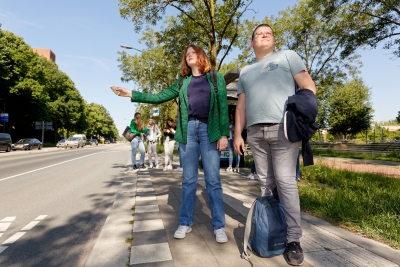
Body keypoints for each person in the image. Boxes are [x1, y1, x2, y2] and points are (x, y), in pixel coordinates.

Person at [115, 44, 230, 243]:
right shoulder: (182, 82)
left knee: (213, 181)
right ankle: (185, 222)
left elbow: (222, 106)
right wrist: (132, 94)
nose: (190, 56)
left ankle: (219, 226)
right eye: (187, 55)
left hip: (209, 131)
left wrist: (223, 134)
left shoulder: (215, 78)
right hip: (188, 132)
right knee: (188, 180)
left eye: (193, 53)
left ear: (201, 56)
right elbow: (158, 97)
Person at [234, 24, 317, 266]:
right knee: (266, 184)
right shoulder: (246, 71)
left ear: (273, 40)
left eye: (268, 32)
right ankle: (271, 231)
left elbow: (308, 86)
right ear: (251, 43)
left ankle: (293, 240)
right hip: (255, 133)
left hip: (282, 129)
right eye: (258, 33)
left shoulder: (287, 56)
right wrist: (238, 134)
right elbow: (241, 106)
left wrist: (301, 113)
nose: (264, 34)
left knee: (285, 182)